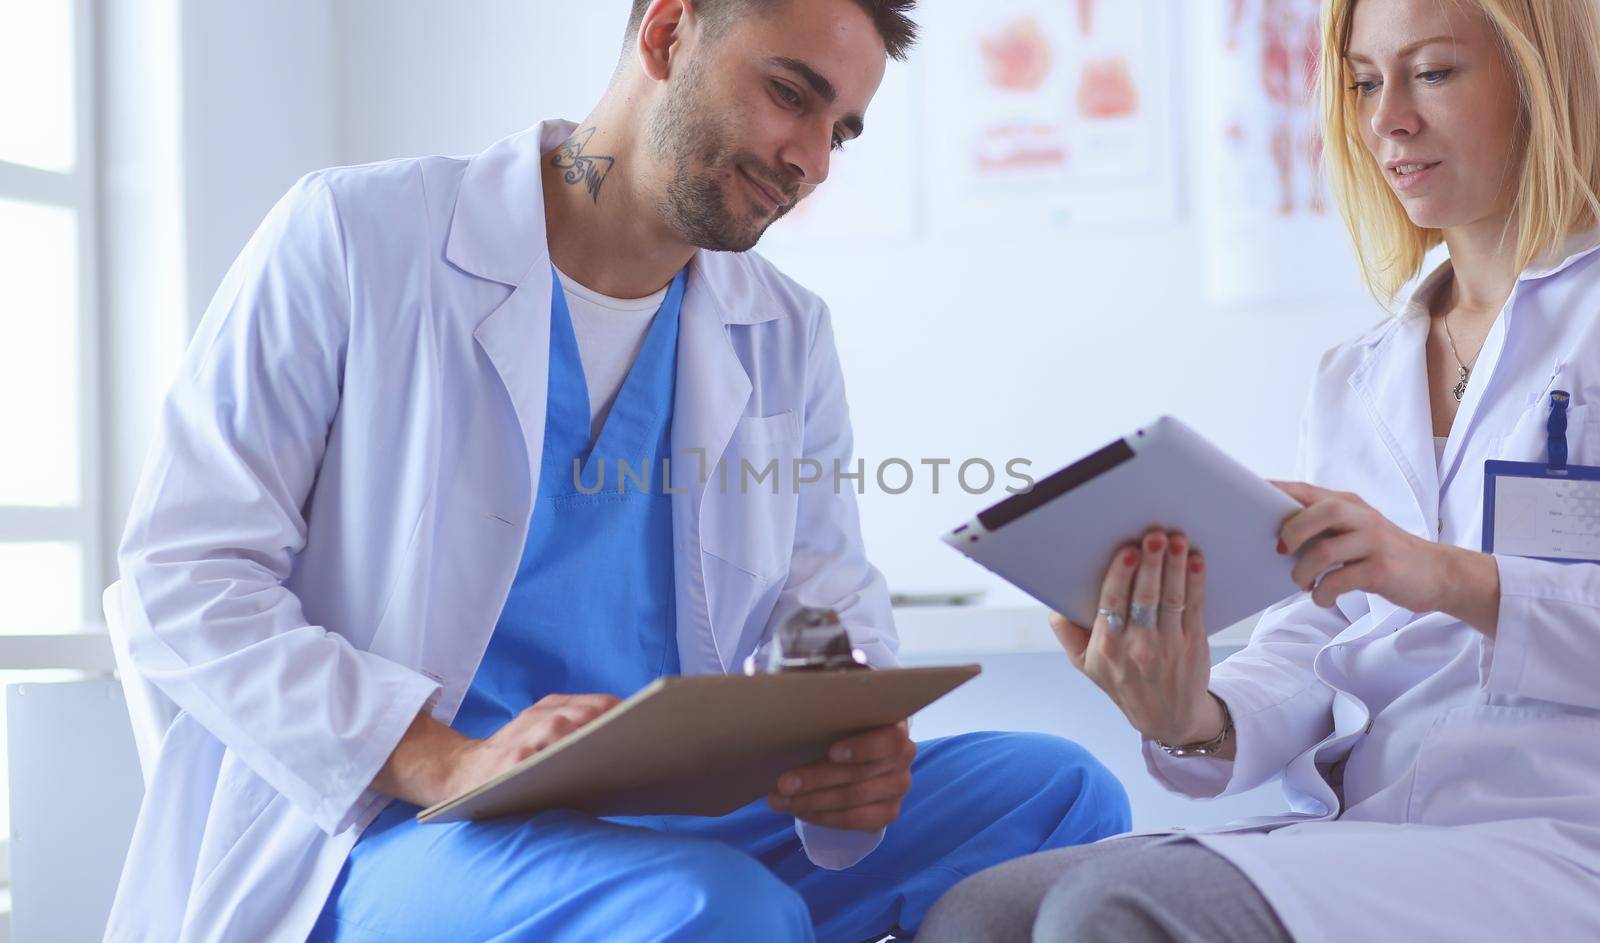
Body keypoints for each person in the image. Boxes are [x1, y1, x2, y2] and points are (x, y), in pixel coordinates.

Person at [102, 1, 1132, 941]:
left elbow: (818, 596)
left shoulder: (783, 332)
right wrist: (440, 755)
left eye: (842, 131)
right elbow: (186, 577)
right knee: (716, 909)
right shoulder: (356, 238)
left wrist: (843, 723)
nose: (812, 161)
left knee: (1059, 797)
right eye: (790, 95)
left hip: (665, 812)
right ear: (667, 32)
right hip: (399, 826)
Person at [922, 0, 1600, 940]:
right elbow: (1312, 637)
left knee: (1110, 911)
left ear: (1545, 79)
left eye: (1433, 73)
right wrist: (1194, 712)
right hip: (1377, 834)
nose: (1386, 119)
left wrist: (1448, 576)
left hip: (1558, 834)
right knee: (978, 913)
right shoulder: (1359, 374)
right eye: (1364, 82)